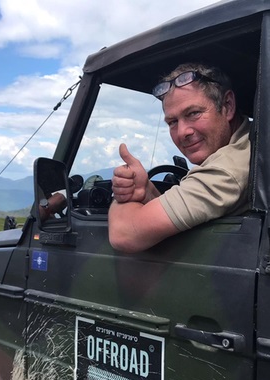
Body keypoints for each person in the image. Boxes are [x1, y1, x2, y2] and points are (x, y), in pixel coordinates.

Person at [108, 63, 252, 253]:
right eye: (173, 122)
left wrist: (121, 198)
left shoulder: (227, 170)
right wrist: (146, 193)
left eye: (194, 113)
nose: (182, 132)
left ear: (227, 106)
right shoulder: (249, 144)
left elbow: (124, 234)